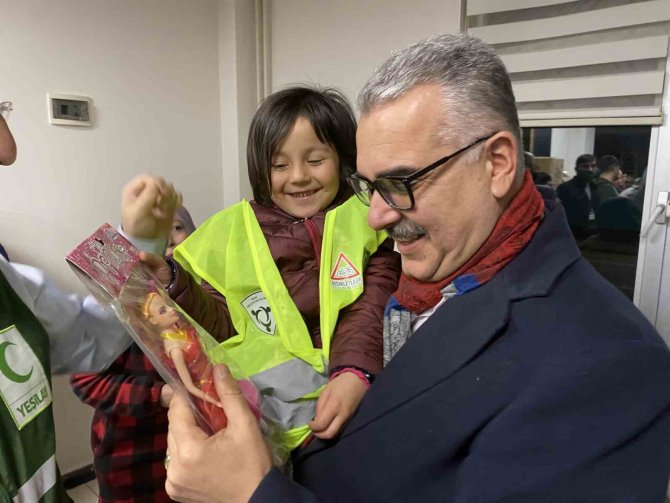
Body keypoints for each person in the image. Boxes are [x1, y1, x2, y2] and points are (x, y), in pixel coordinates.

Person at [163, 34, 670, 502]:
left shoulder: (606, 366)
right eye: (366, 186)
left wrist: (253, 493)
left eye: (402, 182)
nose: (376, 216)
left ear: (496, 164)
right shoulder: (423, 266)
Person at [143, 86, 400, 451]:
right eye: (279, 165)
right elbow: (224, 327)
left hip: (356, 404)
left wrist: (355, 372)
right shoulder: (231, 234)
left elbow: (369, 310)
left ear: (343, 158)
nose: (297, 177)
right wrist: (174, 282)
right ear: (259, 170)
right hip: (268, 426)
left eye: (315, 160)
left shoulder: (370, 218)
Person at [0, 111, 180, 501]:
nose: (7, 149)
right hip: (126, 466)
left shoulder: (10, 282)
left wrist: (137, 244)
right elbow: (93, 373)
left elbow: (93, 335)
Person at [70, 207, 196, 503]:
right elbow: (86, 382)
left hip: (188, 451)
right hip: (129, 455)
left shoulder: (201, 297)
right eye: (151, 235)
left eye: (177, 228)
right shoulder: (114, 307)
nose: (168, 241)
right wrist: (161, 395)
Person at [557, 153, 599, 239]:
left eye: (593, 166)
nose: (590, 170)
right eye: (585, 166)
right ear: (576, 169)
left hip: (591, 233)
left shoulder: (595, 187)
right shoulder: (565, 188)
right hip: (571, 235)